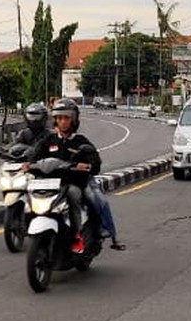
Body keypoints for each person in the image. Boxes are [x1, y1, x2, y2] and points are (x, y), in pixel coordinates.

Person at [29, 100, 122, 252]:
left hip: (76, 183)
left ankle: (81, 234)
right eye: (59, 118)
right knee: (31, 193)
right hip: (51, 184)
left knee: (94, 200)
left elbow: (95, 162)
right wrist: (29, 164)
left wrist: (88, 166)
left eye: (66, 118)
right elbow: (35, 156)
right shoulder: (48, 140)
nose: (62, 122)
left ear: (74, 120)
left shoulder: (81, 142)